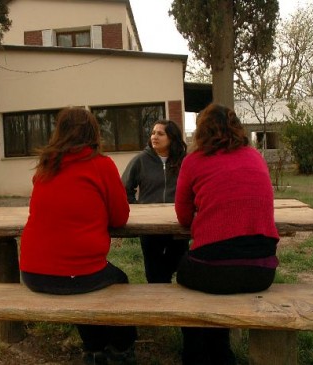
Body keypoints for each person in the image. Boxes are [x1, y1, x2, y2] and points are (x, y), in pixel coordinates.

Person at [19, 107, 137, 365]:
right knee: (117, 281)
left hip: (31, 272)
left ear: (58, 132)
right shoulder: (101, 165)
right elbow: (120, 218)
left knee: (79, 280)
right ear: (94, 131)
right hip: (76, 274)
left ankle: (93, 348)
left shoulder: (45, 167)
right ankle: (120, 349)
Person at [174, 103, 280, 365]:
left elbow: (183, 217)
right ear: (237, 128)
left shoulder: (193, 162)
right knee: (215, 270)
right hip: (262, 270)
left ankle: (195, 354)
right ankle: (221, 352)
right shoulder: (255, 156)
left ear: (201, 131)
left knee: (182, 269)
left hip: (212, 270)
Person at [121, 120, 189, 284]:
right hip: (149, 227)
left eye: (160, 133)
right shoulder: (141, 160)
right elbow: (124, 188)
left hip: (178, 224)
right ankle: (160, 300)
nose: (154, 136)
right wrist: (137, 209)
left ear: (172, 138)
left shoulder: (184, 161)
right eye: (153, 133)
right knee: (154, 274)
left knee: (180, 266)